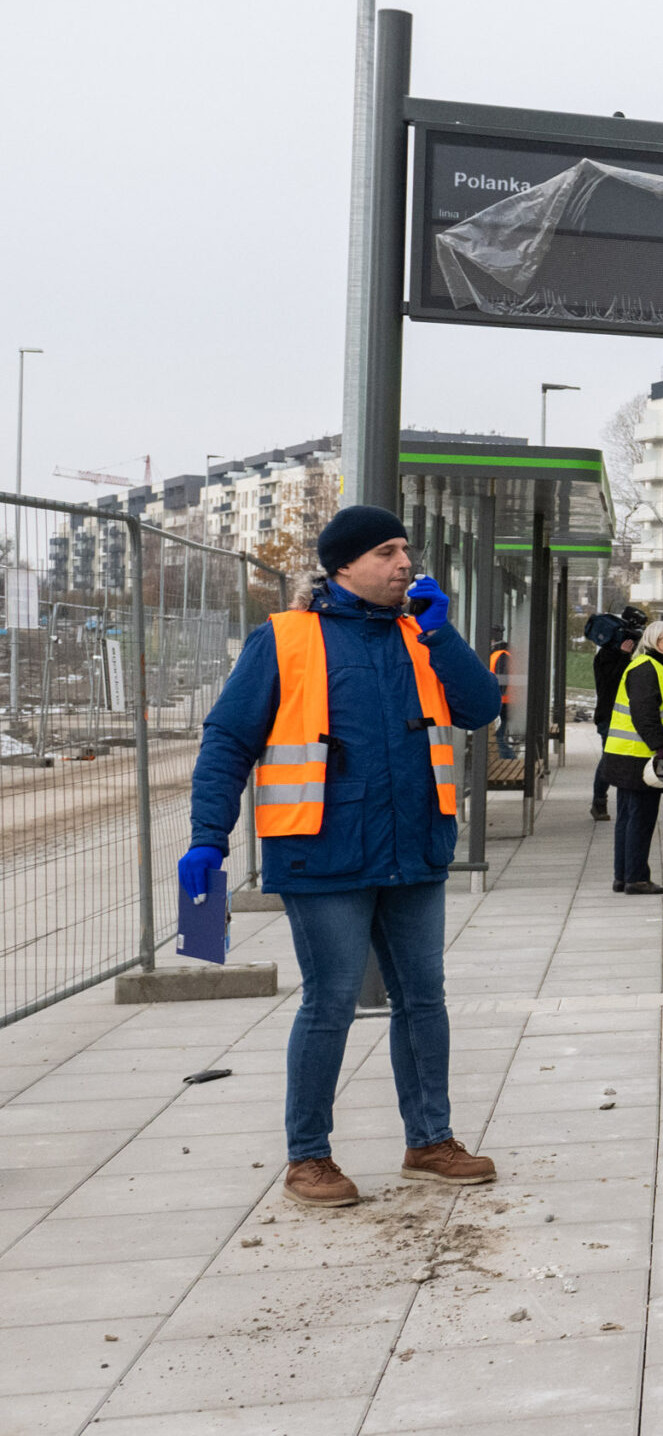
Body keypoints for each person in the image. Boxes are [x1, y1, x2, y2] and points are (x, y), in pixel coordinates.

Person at [178, 505, 504, 1209]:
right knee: (329, 1003)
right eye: (387, 551)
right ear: (343, 565)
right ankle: (308, 1158)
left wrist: (444, 633)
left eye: (406, 551)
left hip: (414, 849)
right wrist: (211, 834)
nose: (404, 563)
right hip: (323, 854)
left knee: (425, 1000)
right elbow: (228, 739)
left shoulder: (424, 635)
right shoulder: (285, 639)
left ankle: (430, 1140)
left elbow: (479, 708)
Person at [600, 619, 663, 895]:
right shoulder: (647, 669)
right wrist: (661, 750)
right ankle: (636, 877)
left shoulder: (651, 667)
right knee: (640, 818)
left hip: (633, 755)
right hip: (641, 757)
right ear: (655, 642)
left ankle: (624, 876)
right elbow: (644, 713)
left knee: (628, 816)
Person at [590, 607, 642, 820]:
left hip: (623, 716)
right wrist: (623, 656)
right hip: (609, 716)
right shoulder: (607, 656)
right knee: (610, 758)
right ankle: (599, 801)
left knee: (623, 758)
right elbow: (610, 683)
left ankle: (620, 800)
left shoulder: (620, 655)